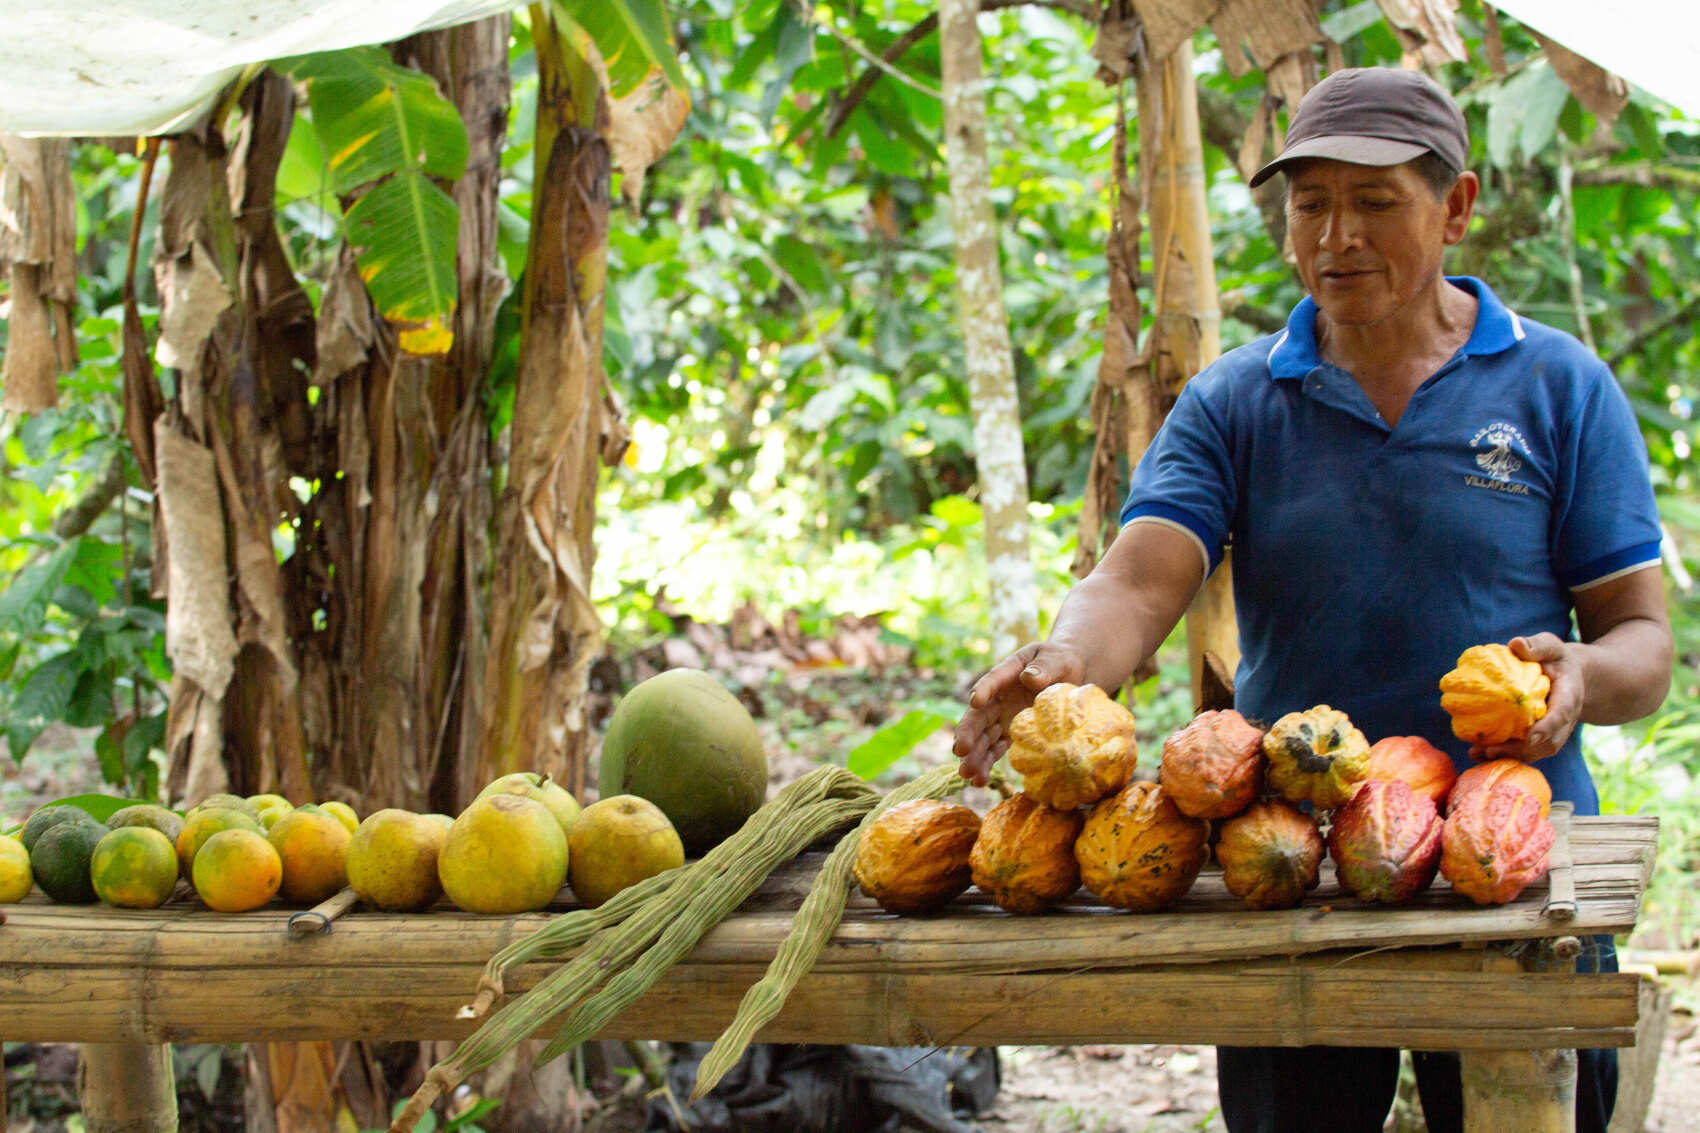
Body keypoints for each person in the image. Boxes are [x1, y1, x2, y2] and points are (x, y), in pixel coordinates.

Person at [953, 66, 1673, 1133]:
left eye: (1374, 201)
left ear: (1457, 207)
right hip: (1289, 854)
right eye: (1309, 203)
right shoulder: (1240, 398)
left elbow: (1642, 641)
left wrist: (1581, 673)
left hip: (1509, 852)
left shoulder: (1555, 387)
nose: (1334, 234)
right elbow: (1135, 580)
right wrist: (1061, 664)